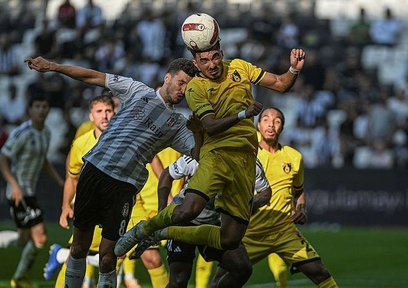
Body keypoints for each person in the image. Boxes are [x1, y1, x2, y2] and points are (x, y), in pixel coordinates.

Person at [114, 13, 305, 278]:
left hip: (246, 159)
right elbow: (211, 125)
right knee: (188, 208)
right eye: (204, 60)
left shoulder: (240, 67)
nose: (212, 64)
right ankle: (145, 230)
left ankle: (163, 232)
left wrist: (294, 68)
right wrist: (243, 114)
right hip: (216, 154)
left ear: (221, 53)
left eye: (215, 57)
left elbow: (281, 84)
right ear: (196, 62)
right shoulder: (196, 88)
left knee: (229, 241)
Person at [24, 56, 201, 288]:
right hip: (96, 171)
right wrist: (53, 67)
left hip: (124, 187)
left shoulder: (177, 123)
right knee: (79, 246)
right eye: (181, 82)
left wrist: (201, 130)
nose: (183, 89)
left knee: (109, 256)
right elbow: (94, 76)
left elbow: (201, 154)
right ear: (167, 77)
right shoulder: (137, 90)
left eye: (189, 86)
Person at [137, 154, 272, 287]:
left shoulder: (249, 162)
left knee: (242, 268)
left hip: (215, 223)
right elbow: (167, 174)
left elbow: (265, 192)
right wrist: (162, 210)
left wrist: (248, 205)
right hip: (183, 220)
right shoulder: (200, 156)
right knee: (179, 280)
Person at [241, 107, 338, 287]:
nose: (271, 124)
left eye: (277, 121)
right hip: (251, 233)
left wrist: (301, 208)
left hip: (284, 232)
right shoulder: (246, 153)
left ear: (282, 128)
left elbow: (299, 191)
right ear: (258, 126)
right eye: (266, 120)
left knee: (320, 272)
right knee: (228, 277)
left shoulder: (294, 157)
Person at [42, 94, 115, 287]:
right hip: (88, 205)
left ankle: (60, 254)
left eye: (108, 111)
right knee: (85, 252)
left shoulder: (122, 140)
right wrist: (66, 205)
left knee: (108, 255)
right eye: (99, 112)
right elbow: (72, 177)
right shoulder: (81, 143)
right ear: (91, 116)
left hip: (115, 205)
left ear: (114, 113)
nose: (104, 116)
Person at [0, 94, 64, 288]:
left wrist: (60, 181)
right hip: (19, 192)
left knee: (23, 239)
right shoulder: (22, 133)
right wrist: (15, 185)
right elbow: (2, 158)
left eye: (45, 106)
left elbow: (44, 160)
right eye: (38, 106)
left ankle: (19, 278)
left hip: (30, 191)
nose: (42, 110)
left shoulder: (46, 133)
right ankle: (19, 278)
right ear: (30, 110)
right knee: (40, 236)